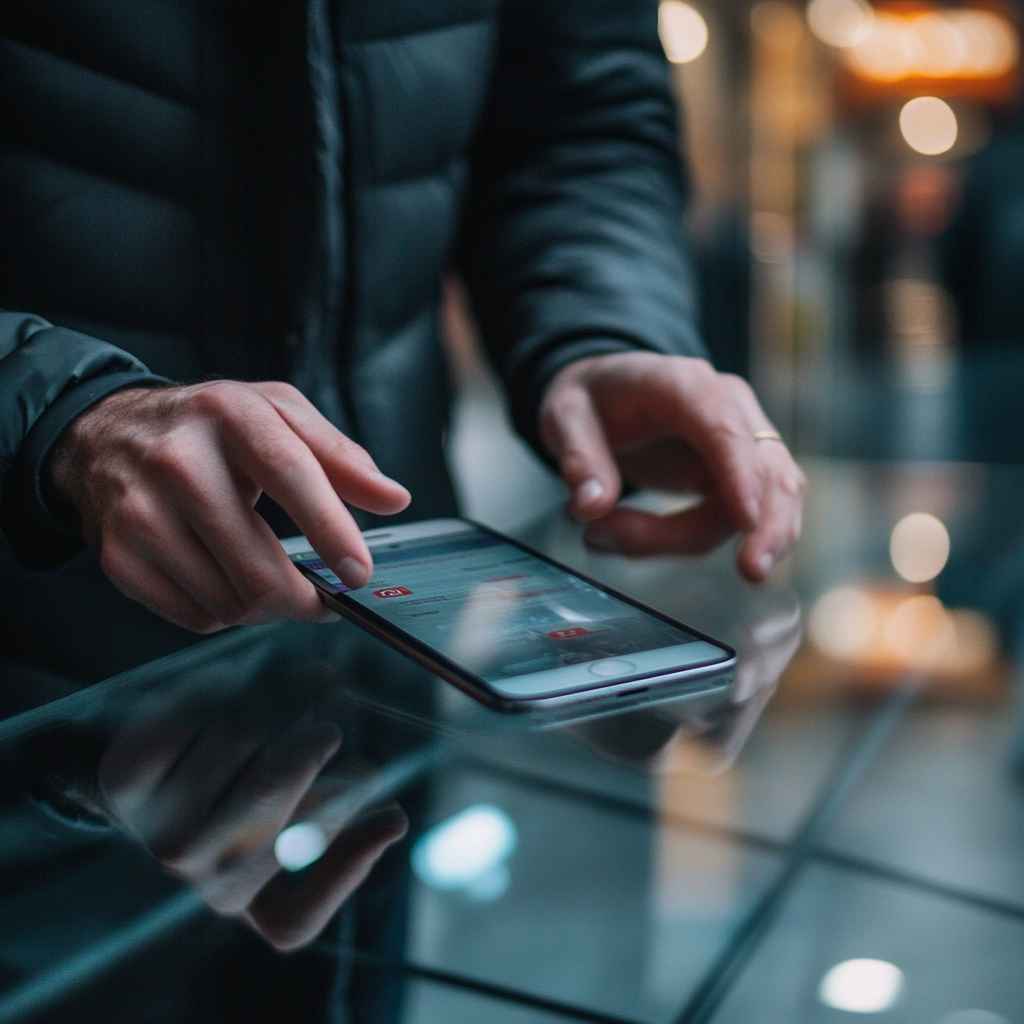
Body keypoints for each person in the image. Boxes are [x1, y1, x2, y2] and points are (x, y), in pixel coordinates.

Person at [0, 0, 804, 659]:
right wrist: (65, 413)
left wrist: (605, 329)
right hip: (36, 626)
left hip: (396, 619)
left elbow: (579, 120)